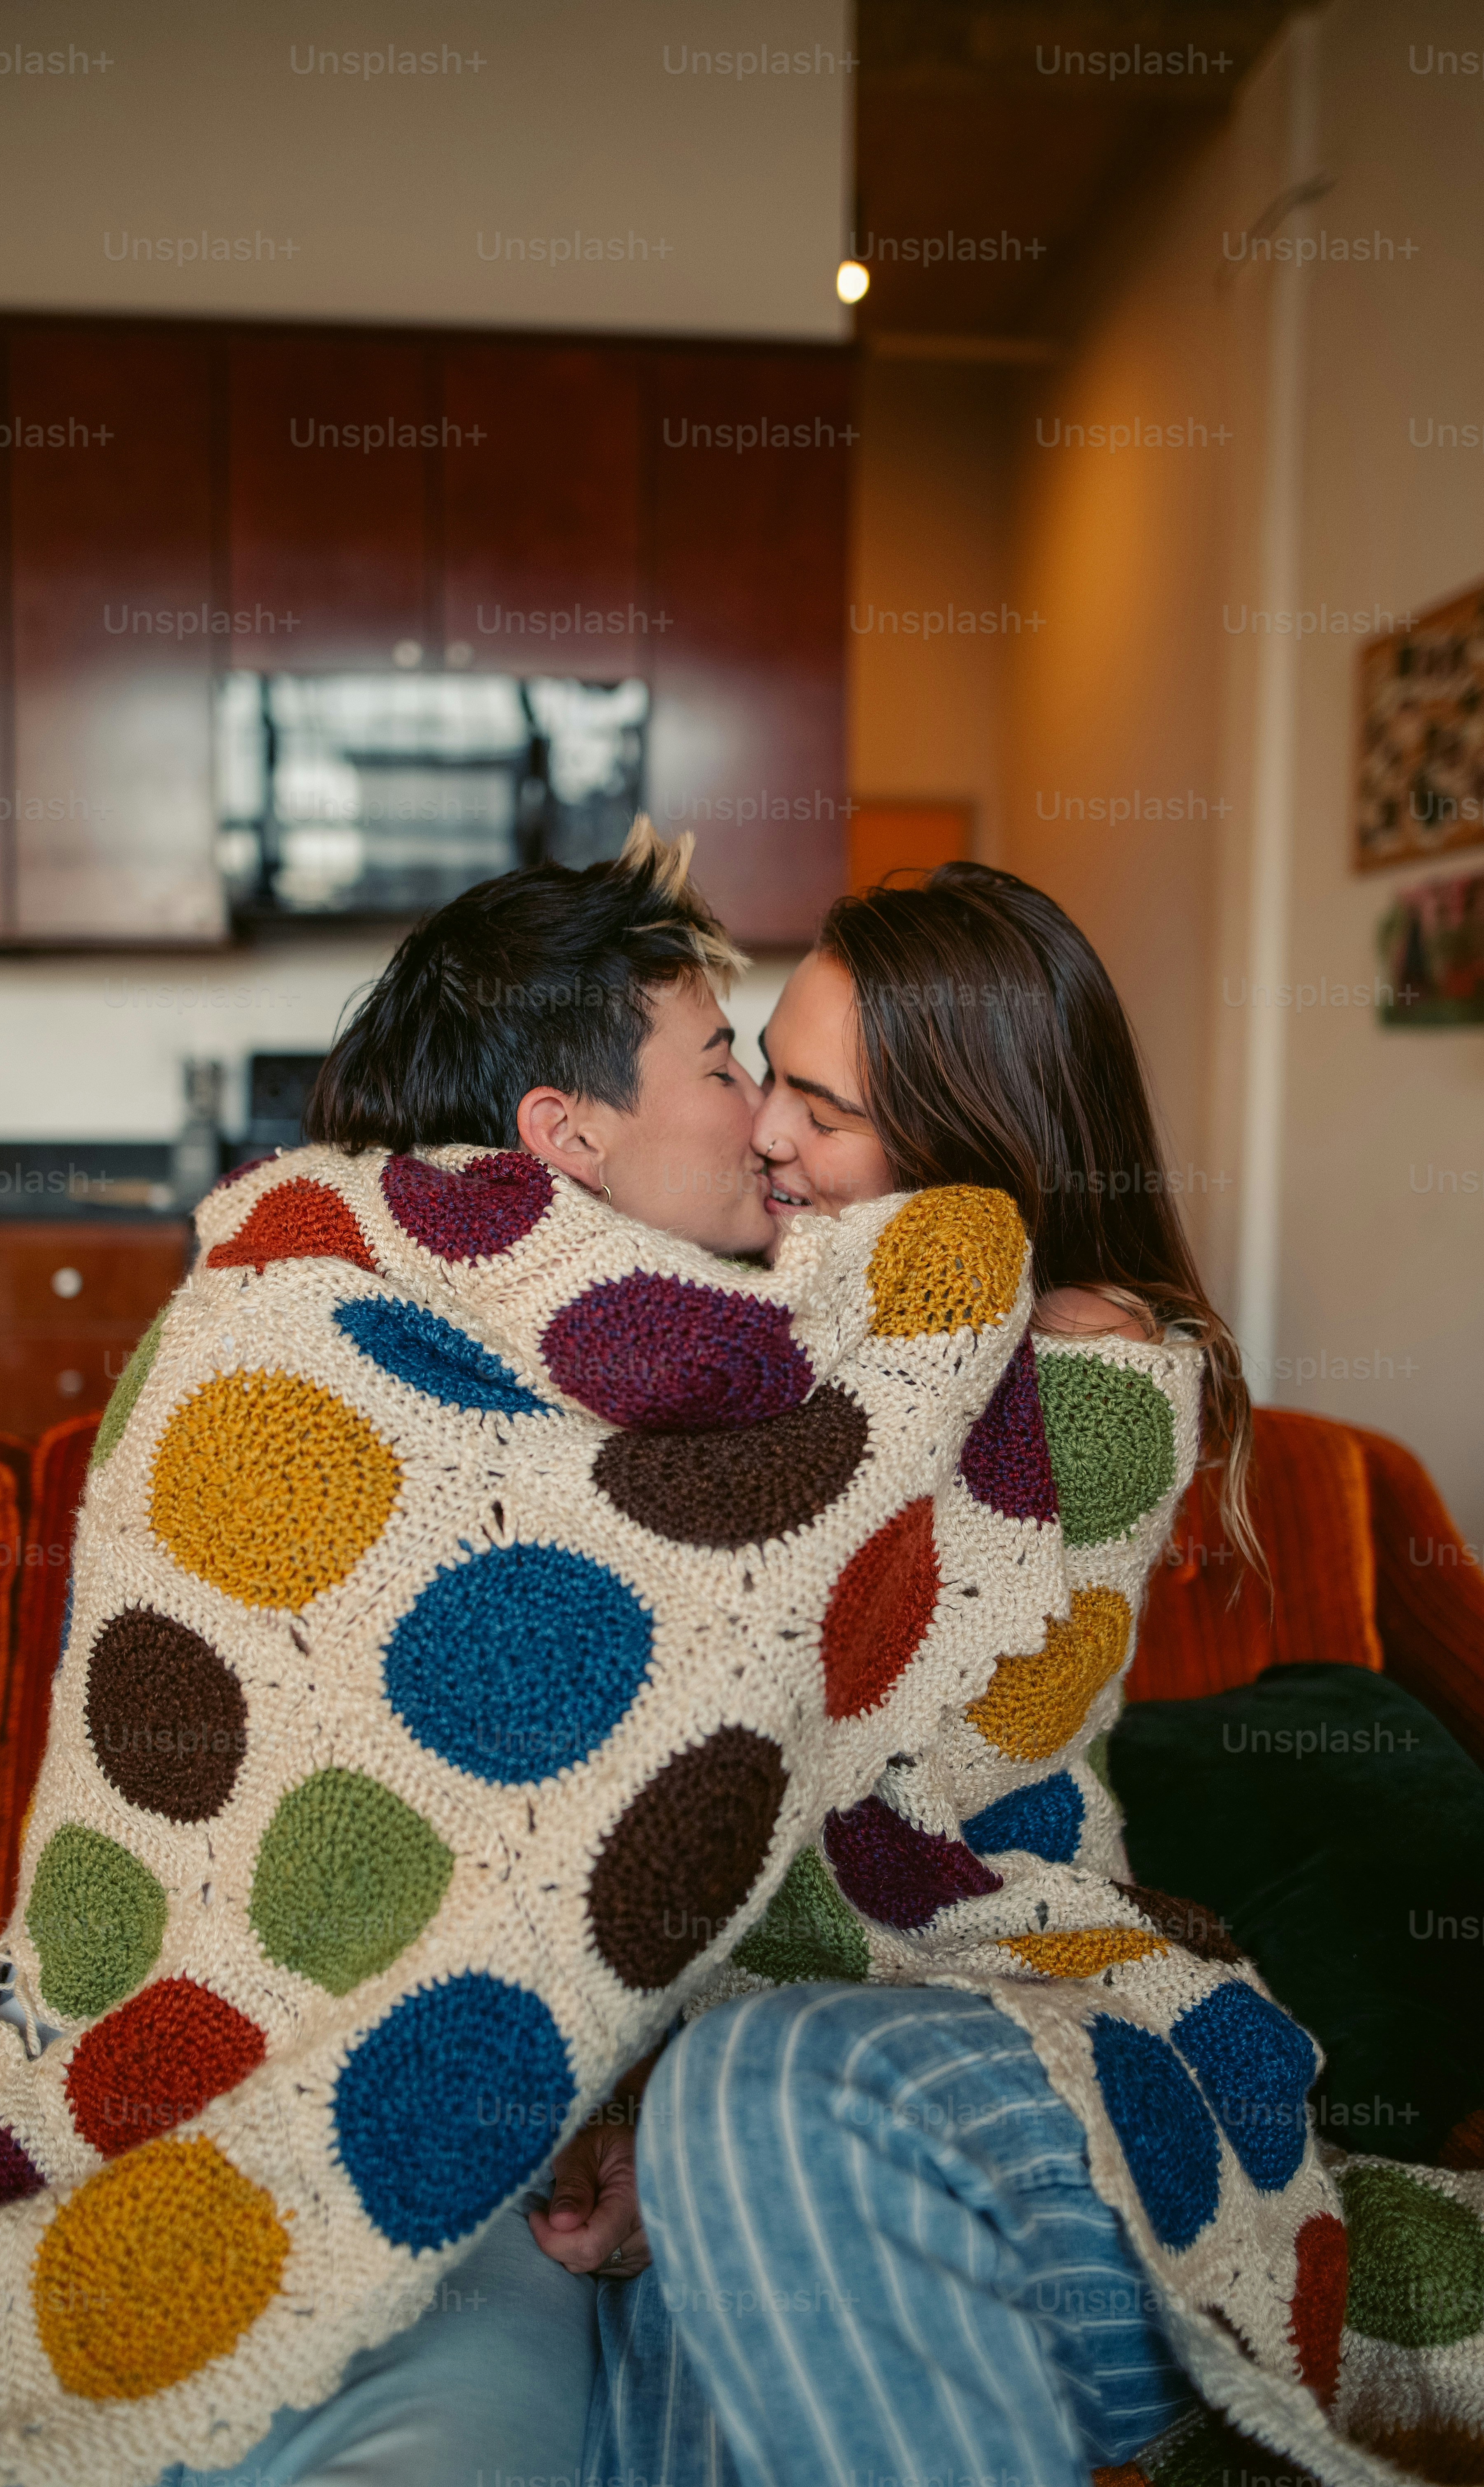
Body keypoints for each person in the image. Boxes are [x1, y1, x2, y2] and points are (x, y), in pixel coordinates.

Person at [539, 862, 1264, 2487]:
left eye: (824, 1109)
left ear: (973, 1144)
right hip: (791, 2095)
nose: (764, 1135)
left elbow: (840, 1751)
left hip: (1022, 2020)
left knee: (741, 2087)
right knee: (677, 2321)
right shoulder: (779, 1328)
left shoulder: (1089, 1365)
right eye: (764, 1080)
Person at [155, 819, 778, 2487]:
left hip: (500, 2176)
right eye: (725, 1064)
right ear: (567, 1136)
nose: (770, 1118)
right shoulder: (316, 1346)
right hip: (292, 2115)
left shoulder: (737, 1403)